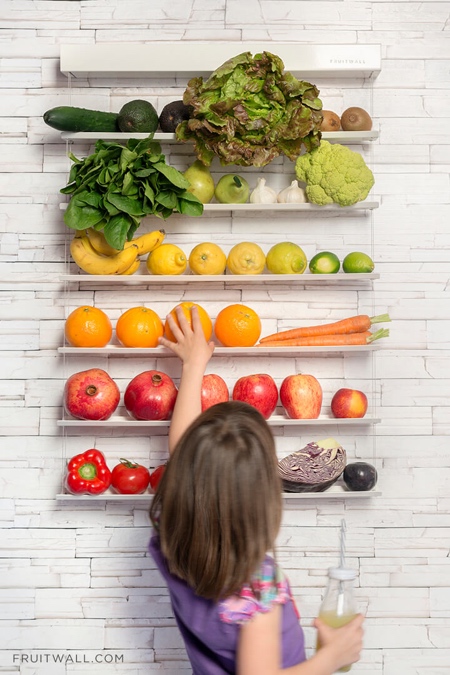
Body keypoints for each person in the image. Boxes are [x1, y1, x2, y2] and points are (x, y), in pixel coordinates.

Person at [149, 305, 364, 675]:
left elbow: (185, 450)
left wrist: (194, 366)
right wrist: (330, 658)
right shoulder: (256, 586)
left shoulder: (174, 539)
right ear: (262, 494)